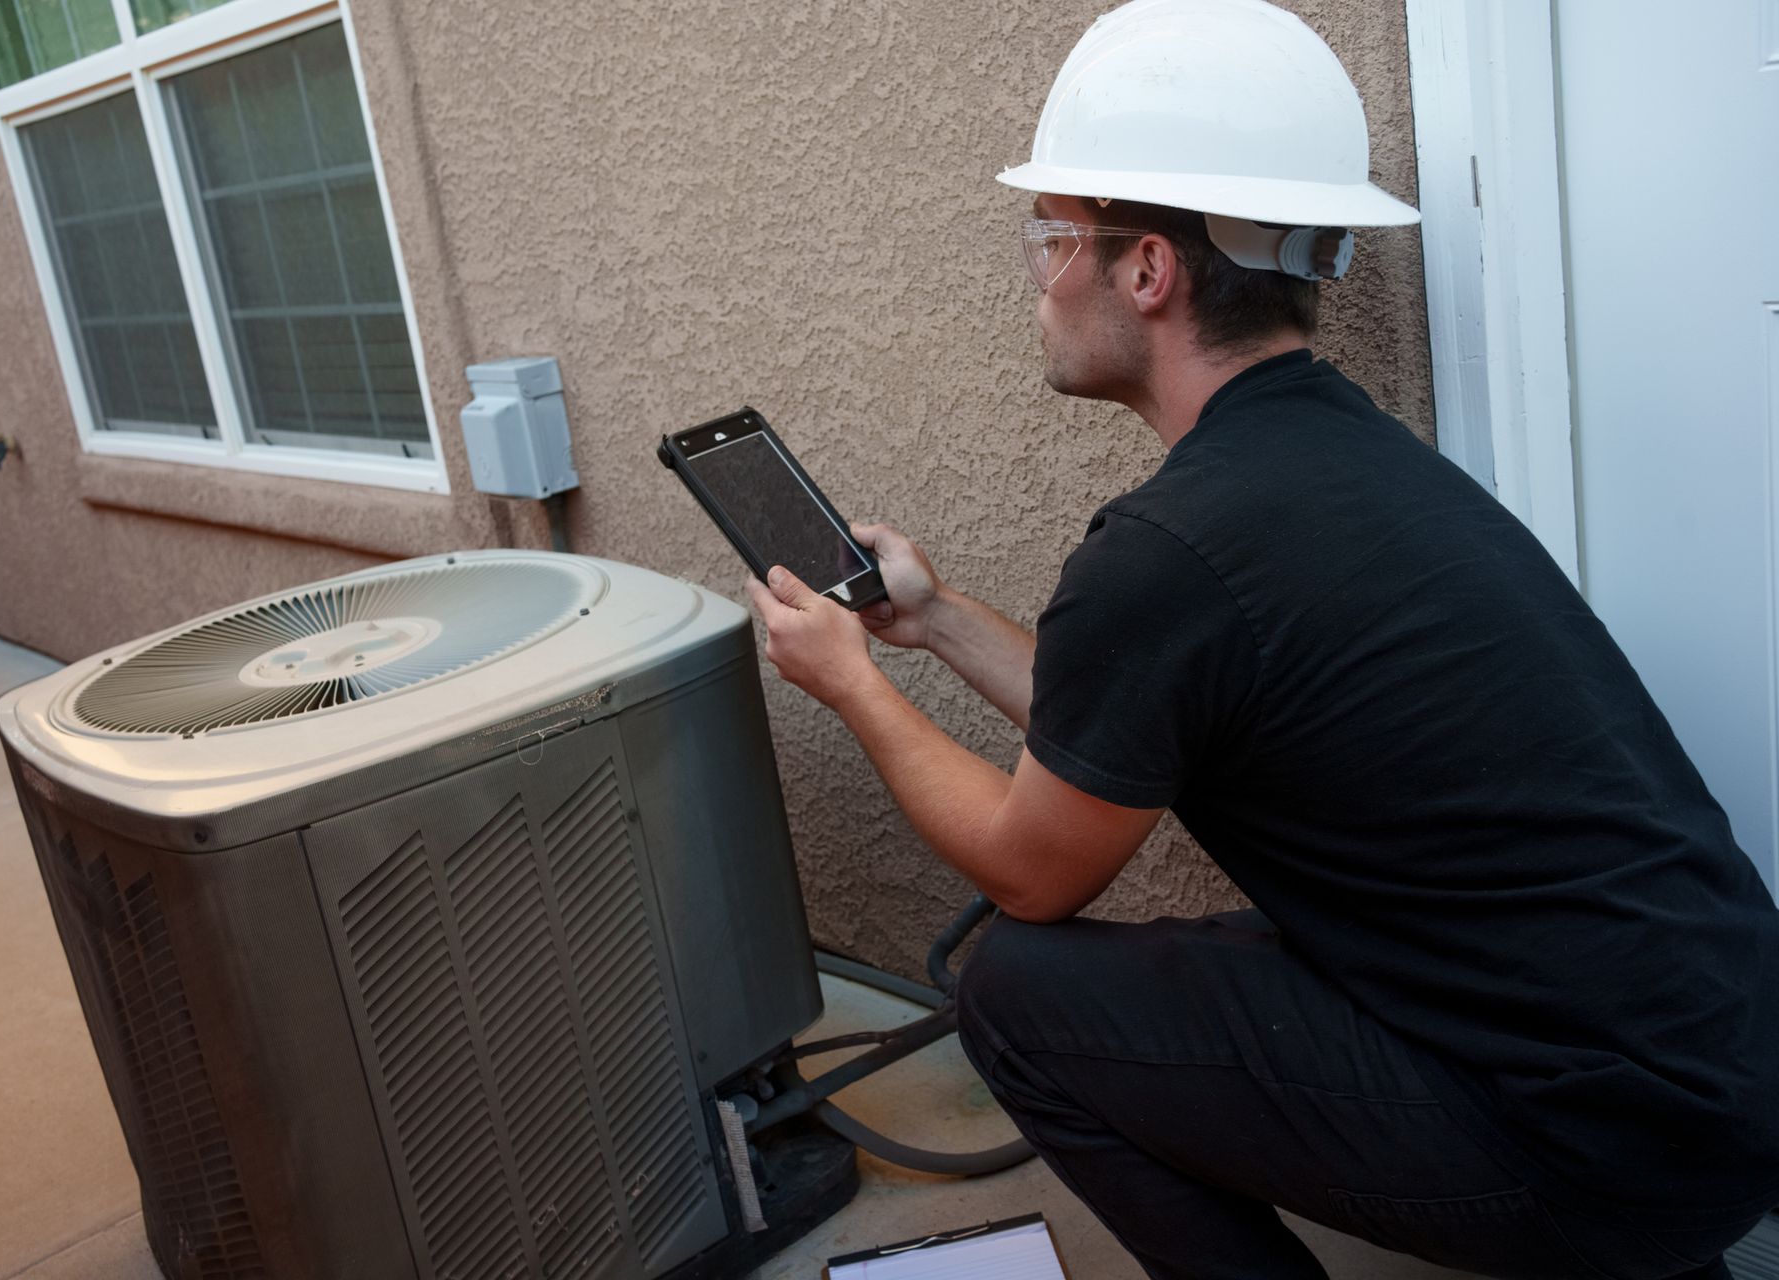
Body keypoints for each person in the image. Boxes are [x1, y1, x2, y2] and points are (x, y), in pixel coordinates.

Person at [740, 0, 1779, 1276]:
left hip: (1601, 1144)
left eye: (1054, 238)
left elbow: (1032, 870)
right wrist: (937, 621)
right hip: (1717, 1074)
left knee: (1019, 988)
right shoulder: (1345, 455)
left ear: (1147, 271)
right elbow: (1114, 723)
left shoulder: (1172, 549)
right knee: (1226, 956)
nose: (1043, 278)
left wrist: (850, 684)